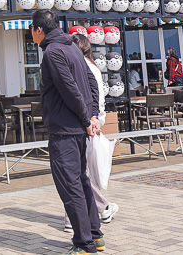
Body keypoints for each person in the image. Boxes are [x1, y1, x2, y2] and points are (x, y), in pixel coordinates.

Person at [32, 10, 103, 254]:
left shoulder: (53, 52)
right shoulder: (72, 47)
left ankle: (84, 243)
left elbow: (69, 89)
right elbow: (91, 83)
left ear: (39, 29)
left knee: (70, 185)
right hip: (78, 128)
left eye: (31, 29)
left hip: (65, 129)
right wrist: (92, 116)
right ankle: (95, 234)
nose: (31, 33)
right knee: (81, 181)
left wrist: (87, 118)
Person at [69, 32, 119, 227]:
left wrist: (93, 118)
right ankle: (84, 214)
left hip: (89, 121)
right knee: (79, 170)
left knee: (80, 172)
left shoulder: (83, 67)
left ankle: (101, 208)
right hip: (91, 119)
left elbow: (92, 95)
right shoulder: (91, 67)